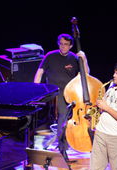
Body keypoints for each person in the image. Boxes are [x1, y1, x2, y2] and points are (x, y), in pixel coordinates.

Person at [34, 33, 89, 161]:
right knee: (60, 116)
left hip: (69, 93)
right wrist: (35, 88)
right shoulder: (50, 55)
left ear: (70, 46)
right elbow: (40, 71)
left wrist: (84, 59)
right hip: (53, 92)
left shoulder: (74, 58)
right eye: (61, 44)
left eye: (66, 45)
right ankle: (61, 144)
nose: (63, 47)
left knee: (65, 117)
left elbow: (86, 74)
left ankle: (63, 143)